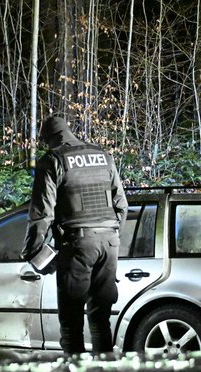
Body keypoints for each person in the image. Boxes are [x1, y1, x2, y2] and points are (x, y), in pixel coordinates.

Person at [21, 116, 127, 355]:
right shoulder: (103, 156)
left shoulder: (53, 160)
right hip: (109, 243)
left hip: (78, 244)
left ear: (50, 138)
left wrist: (32, 250)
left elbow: (42, 213)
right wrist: (111, 236)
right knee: (101, 320)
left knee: (71, 323)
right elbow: (121, 205)